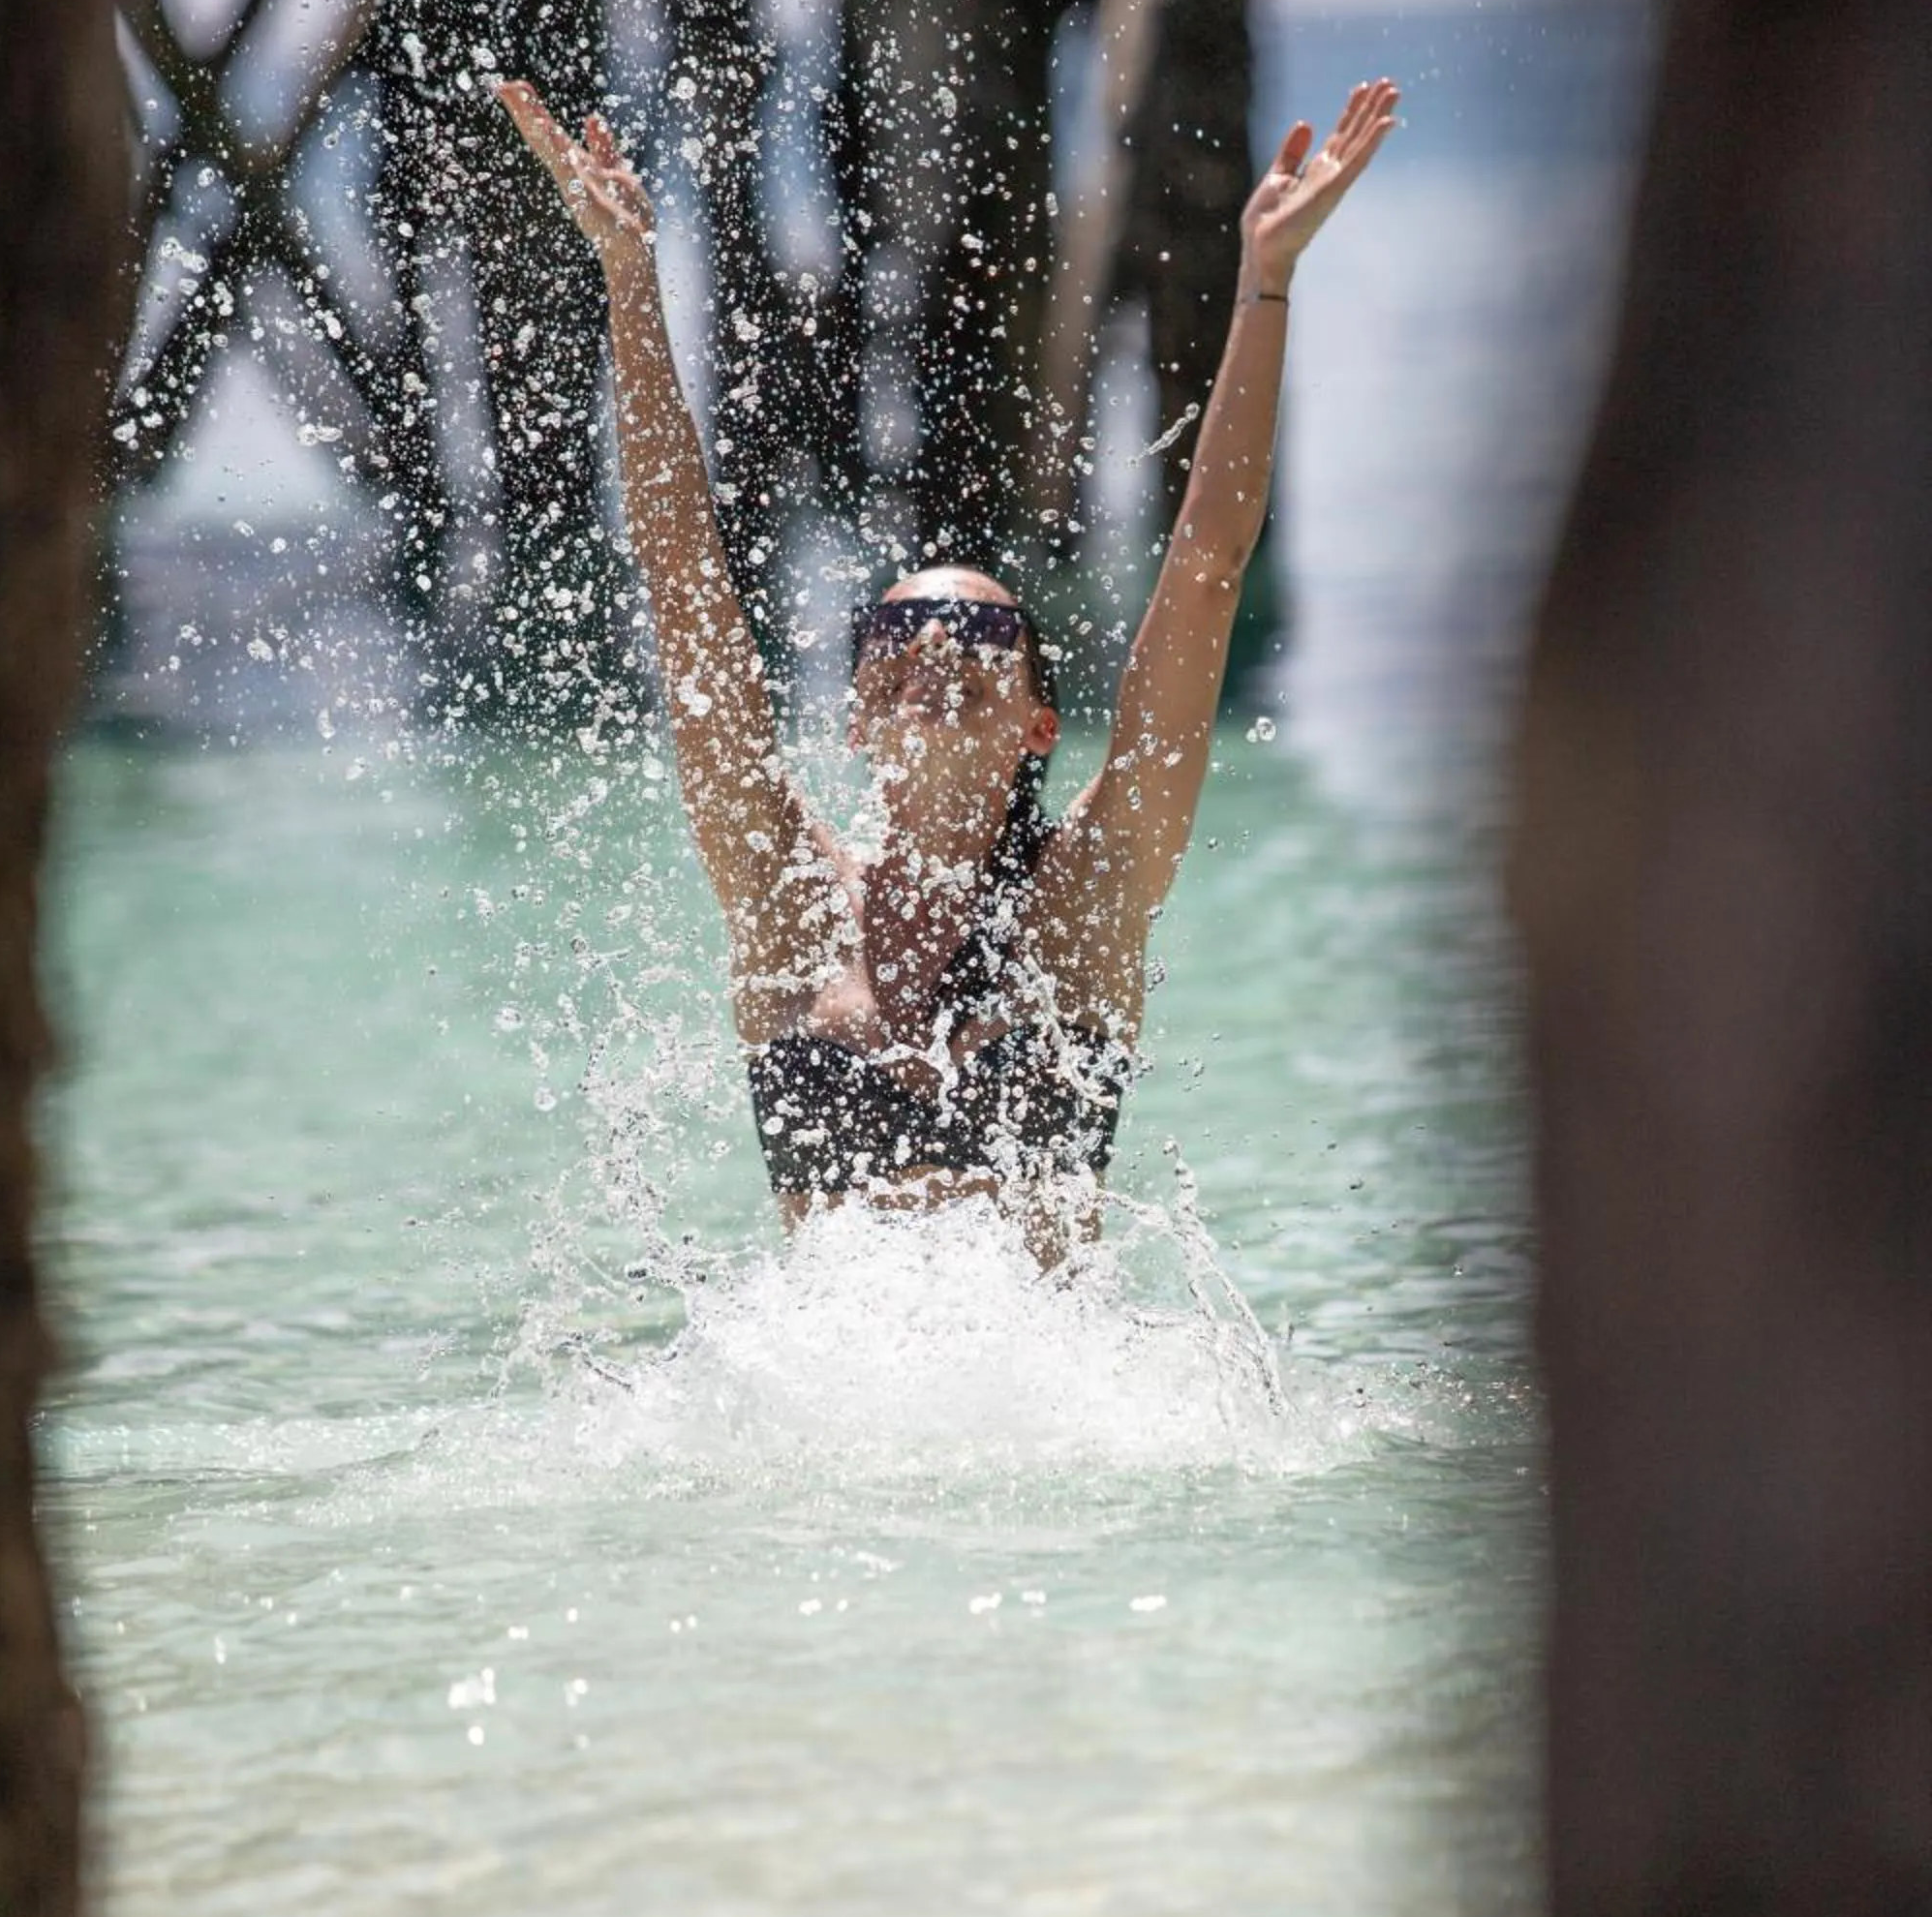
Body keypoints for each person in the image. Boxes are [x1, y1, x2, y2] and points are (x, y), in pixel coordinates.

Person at [498, 74, 1397, 1259]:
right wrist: (626, 283)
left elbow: (1206, 574)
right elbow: (685, 594)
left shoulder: (1088, 895)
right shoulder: (787, 894)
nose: (933, 644)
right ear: (859, 718)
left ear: (1037, 722)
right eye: (893, 635)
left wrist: (1266, 282)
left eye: (980, 635)